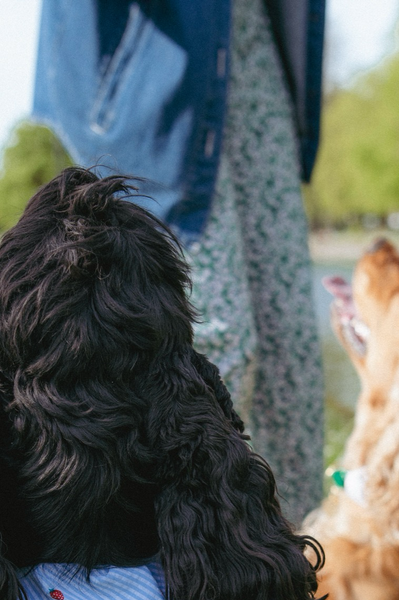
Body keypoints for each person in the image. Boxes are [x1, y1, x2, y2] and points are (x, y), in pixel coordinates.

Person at [32, 0, 326, 522]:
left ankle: (294, 578)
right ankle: (191, 575)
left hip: (256, 55)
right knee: (211, 343)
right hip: (151, 65)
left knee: (293, 355)